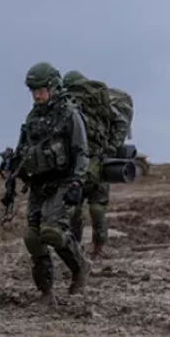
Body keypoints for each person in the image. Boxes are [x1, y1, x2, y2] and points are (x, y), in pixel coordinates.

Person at [2, 62, 89, 304]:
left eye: (41, 90)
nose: (37, 95)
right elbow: (23, 151)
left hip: (62, 182)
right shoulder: (33, 118)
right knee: (33, 237)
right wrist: (10, 177)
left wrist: (77, 183)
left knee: (52, 231)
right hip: (38, 184)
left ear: (53, 87)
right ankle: (46, 291)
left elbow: (81, 152)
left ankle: (80, 267)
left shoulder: (70, 115)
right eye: (33, 91)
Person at [62, 69, 119, 260]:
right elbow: (119, 121)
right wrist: (111, 147)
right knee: (97, 207)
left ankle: (75, 247)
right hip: (100, 161)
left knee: (75, 208)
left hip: (78, 164)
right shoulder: (101, 101)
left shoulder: (68, 104)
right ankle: (98, 248)